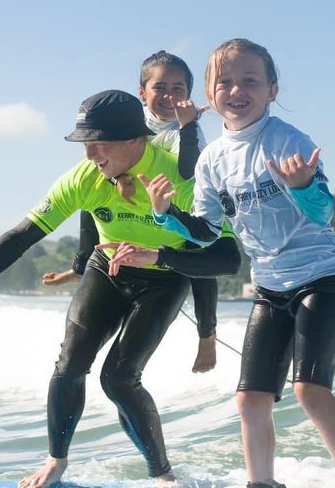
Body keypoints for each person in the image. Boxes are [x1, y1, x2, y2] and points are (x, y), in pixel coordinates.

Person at [0, 90, 240, 488]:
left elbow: (225, 260)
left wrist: (163, 263)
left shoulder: (180, 178)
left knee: (119, 379)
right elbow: (21, 237)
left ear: (134, 140)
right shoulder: (84, 179)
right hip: (108, 268)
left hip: (165, 275)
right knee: (68, 366)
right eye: (85, 144)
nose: (90, 155)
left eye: (98, 144)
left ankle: (162, 474)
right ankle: (56, 460)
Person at [112, 38, 335, 488]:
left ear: (272, 89)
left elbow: (324, 212)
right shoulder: (213, 159)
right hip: (270, 289)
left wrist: (301, 187)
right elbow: (207, 231)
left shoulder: (288, 141)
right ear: (210, 96)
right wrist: (166, 215)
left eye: (250, 80)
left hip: (323, 279)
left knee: (309, 392)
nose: (237, 89)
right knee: (250, 398)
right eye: (225, 82)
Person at [42, 51, 222, 374]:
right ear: (142, 92)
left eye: (178, 89)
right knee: (90, 200)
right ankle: (81, 267)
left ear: (189, 96)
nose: (169, 96)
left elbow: (186, 172)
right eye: (160, 87)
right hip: (135, 207)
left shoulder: (187, 129)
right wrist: (118, 180)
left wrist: (189, 126)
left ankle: (207, 334)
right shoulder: (128, 122)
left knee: (201, 247)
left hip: (177, 208)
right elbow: (106, 159)